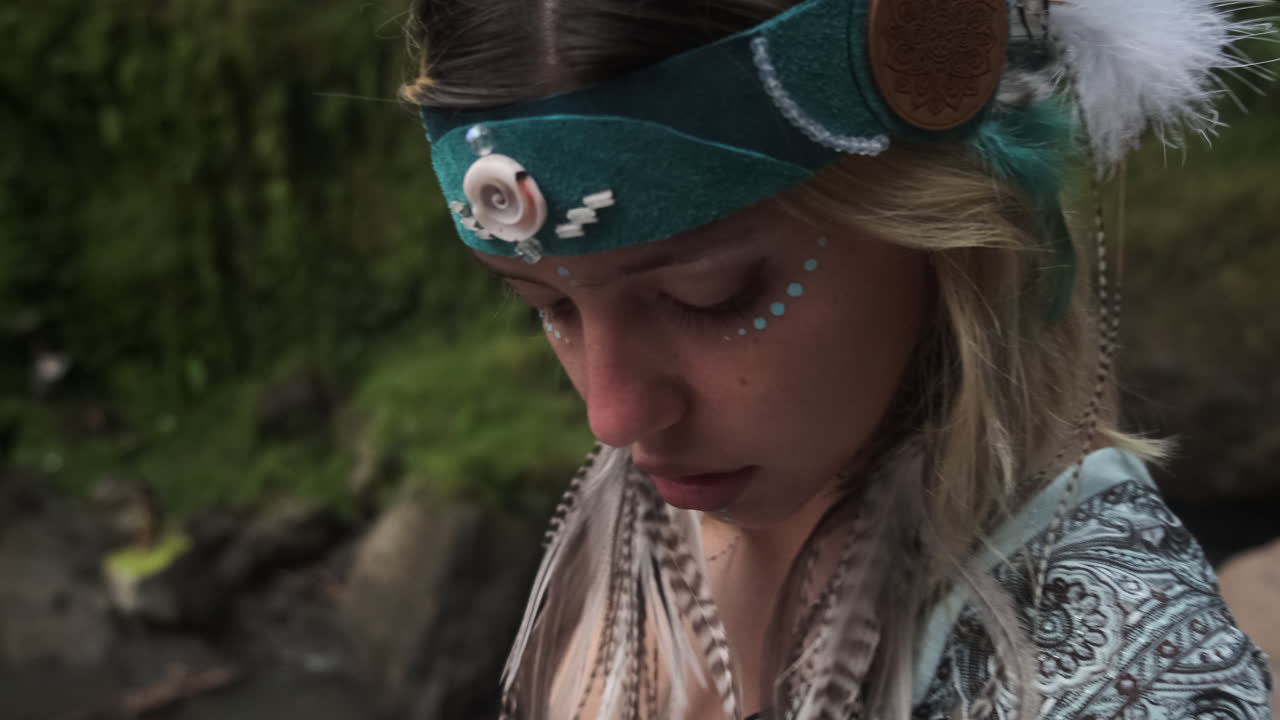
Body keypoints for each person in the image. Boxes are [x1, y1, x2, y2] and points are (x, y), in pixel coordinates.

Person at [400, 0, 1275, 718]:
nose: (613, 417)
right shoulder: (658, 507)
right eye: (548, 308)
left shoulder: (1132, 681)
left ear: (945, 222)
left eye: (711, 297)